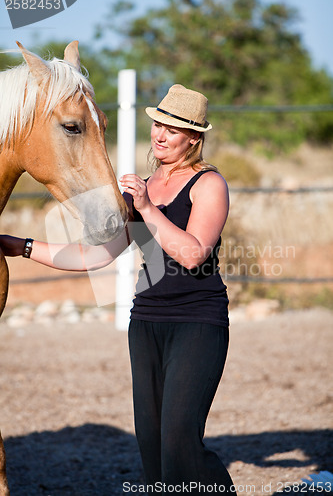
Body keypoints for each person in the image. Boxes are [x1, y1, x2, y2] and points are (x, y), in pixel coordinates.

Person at [0, 84, 235, 494]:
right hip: (145, 322)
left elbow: (193, 254)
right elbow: (95, 257)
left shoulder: (208, 184)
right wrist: (23, 247)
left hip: (198, 322)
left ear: (193, 139)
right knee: (152, 443)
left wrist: (145, 208)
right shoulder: (142, 188)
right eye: (158, 124)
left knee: (180, 438)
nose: (160, 135)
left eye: (173, 129)